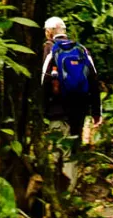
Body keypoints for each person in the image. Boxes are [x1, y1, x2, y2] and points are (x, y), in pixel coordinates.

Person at [40, 18, 101, 183]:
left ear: (49, 32)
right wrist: (96, 112)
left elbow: (44, 81)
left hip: (56, 110)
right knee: (72, 154)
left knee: (56, 152)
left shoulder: (49, 50)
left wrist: (42, 109)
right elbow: (94, 80)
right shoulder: (81, 50)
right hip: (78, 111)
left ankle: (56, 197)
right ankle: (70, 194)